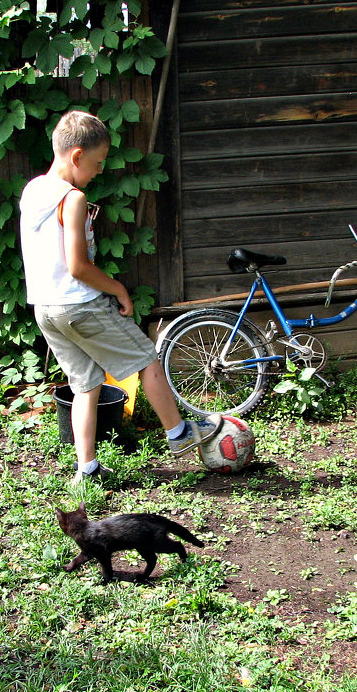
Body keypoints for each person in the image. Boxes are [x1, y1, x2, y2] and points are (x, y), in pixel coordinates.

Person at [19, 110, 222, 483]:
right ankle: (178, 434)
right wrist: (118, 288)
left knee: (86, 384)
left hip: (45, 309)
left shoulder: (33, 190)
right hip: (79, 305)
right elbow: (78, 266)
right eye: (96, 164)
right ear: (77, 156)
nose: (98, 172)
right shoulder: (73, 199)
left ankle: (88, 469)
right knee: (147, 358)